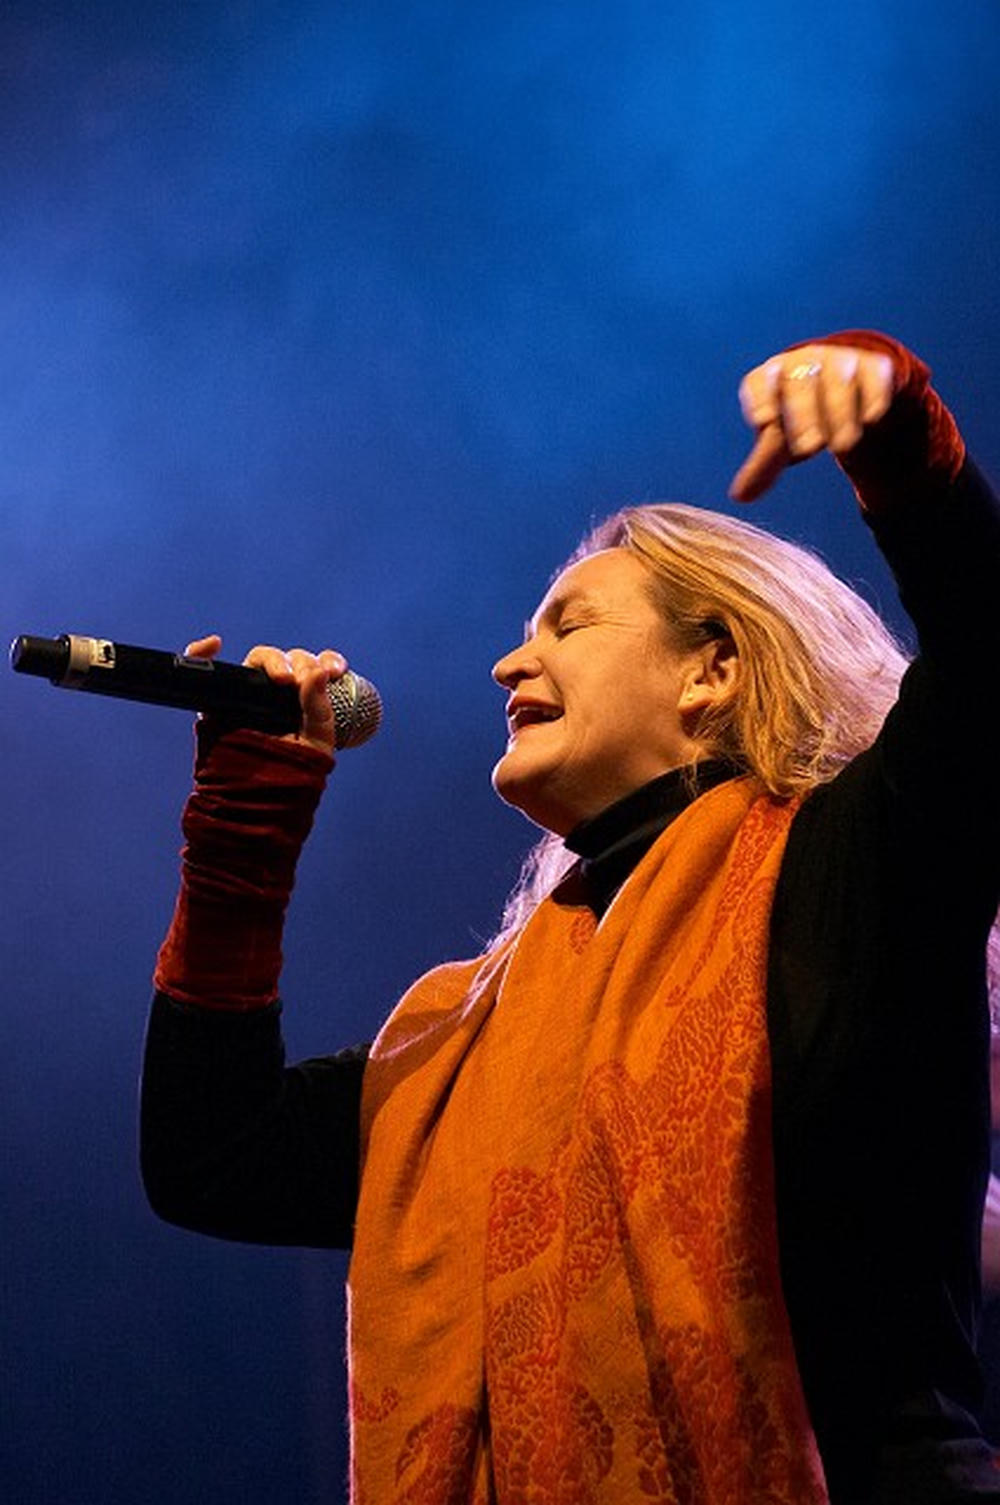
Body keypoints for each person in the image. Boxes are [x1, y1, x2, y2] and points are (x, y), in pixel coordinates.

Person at [140, 330, 1000, 1504]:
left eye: (567, 624)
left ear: (711, 669)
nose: (509, 662)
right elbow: (210, 1159)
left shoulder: (853, 864)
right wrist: (241, 836)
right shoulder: (467, 1034)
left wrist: (902, 445)